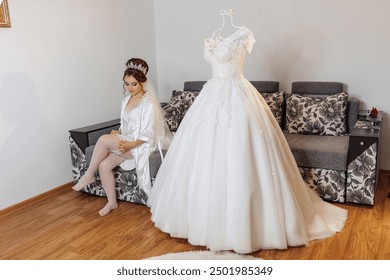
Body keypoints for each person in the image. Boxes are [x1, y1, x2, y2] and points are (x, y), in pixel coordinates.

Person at [147, 10, 348, 254]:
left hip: (239, 97)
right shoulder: (211, 39)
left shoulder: (244, 35)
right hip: (210, 98)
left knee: (243, 152)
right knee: (204, 154)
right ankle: (201, 221)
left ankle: (247, 226)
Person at [73, 58, 172, 216]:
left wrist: (130, 145)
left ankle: (89, 175)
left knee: (103, 140)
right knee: (104, 166)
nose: (130, 88)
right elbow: (126, 124)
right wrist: (118, 132)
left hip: (141, 145)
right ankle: (111, 202)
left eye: (134, 84)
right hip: (127, 140)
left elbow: (147, 133)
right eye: (127, 83)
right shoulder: (126, 100)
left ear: (142, 82)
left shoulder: (149, 103)